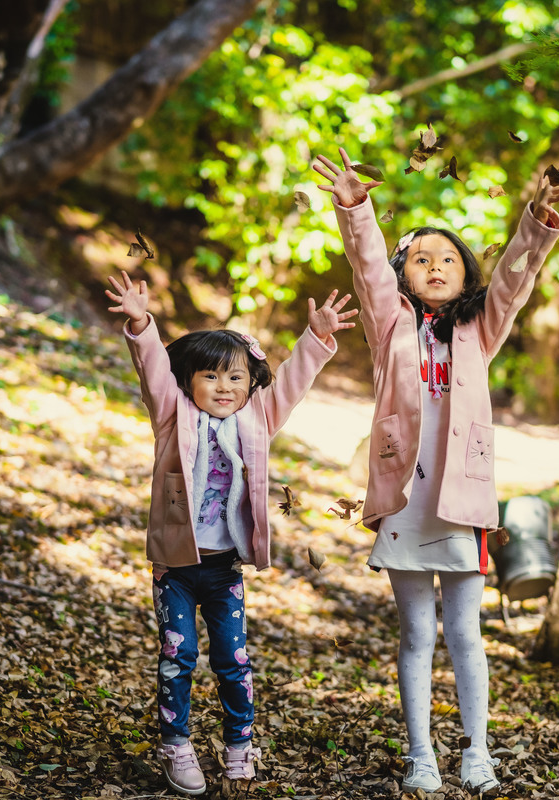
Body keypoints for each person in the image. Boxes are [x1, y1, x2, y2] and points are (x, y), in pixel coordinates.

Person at [313, 148, 559, 794]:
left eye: (447, 258)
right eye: (420, 258)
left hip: (462, 504)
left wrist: (537, 221)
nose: (433, 266)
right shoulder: (390, 324)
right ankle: (421, 756)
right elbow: (368, 269)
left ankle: (477, 752)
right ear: (405, 274)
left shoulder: (480, 331)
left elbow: (514, 281)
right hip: (403, 502)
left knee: (465, 635)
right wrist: (355, 208)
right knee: (416, 634)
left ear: (465, 276)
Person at [105, 271, 357, 795]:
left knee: (233, 659)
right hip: (176, 566)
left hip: (225, 569)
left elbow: (289, 382)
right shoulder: (173, 415)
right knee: (178, 657)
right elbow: (152, 370)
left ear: (250, 384)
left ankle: (240, 744)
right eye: (212, 378)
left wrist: (316, 339)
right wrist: (140, 323)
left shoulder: (257, 419)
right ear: (189, 382)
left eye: (237, 378)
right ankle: (176, 744)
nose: (225, 388)